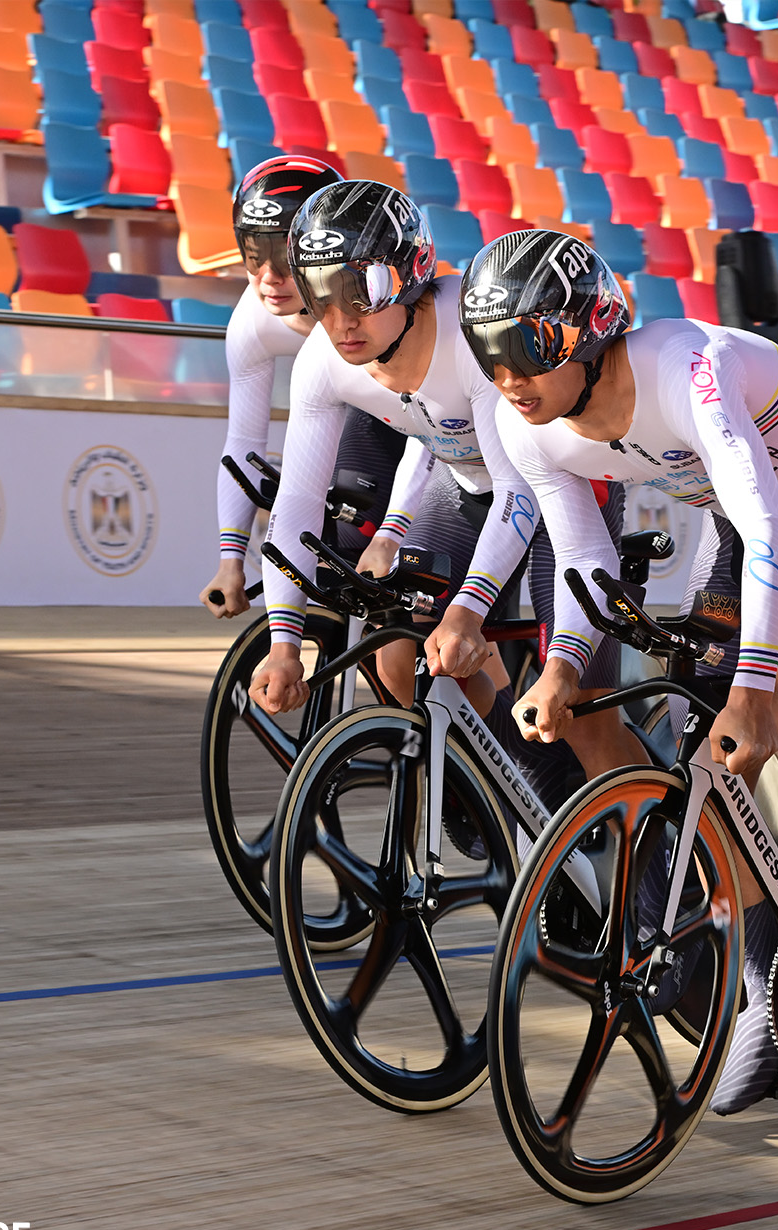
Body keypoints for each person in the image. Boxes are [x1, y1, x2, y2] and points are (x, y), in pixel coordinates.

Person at [456, 228, 778, 1115]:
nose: (508, 378)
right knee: (706, 743)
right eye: (489, 353)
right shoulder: (535, 429)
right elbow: (583, 552)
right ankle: (764, 979)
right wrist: (559, 667)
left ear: (589, 331)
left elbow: (775, 529)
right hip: (749, 538)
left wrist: (751, 689)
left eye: (527, 349)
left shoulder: (686, 367)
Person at [246, 183, 613, 799]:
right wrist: (285, 640)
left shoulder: (468, 340)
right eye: (321, 295)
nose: (341, 321)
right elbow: (298, 505)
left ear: (411, 275)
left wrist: (468, 611)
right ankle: (520, 791)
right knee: (398, 648)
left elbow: (520, 493)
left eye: (361, 292)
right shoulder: (321, 360)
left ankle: (638, 867)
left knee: (584, 717)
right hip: (470, 486)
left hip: (561, 493)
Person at [199, 156, 415, 625]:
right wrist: (230, 561)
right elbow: (243, 443)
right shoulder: (251, 323)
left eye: (285, 254)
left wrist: (392, 531)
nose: (269, 277)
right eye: (254, 255)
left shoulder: (377, 306)